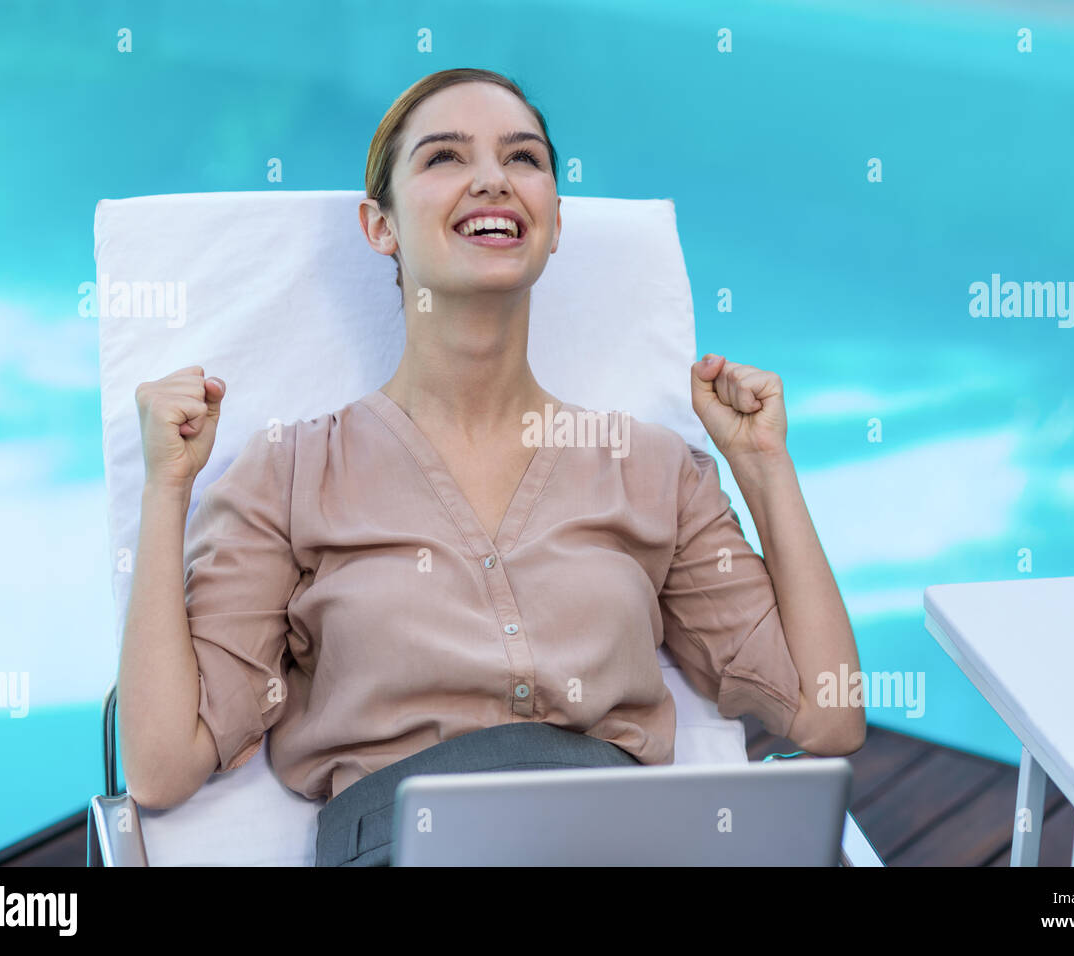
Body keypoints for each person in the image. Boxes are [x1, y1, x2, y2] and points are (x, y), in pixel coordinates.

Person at [118, 68, 864, 867]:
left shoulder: (652, 471)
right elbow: (164, 767)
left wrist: (763, 466)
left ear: (554, 220)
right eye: (444, 158)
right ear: (381, 226)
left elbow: (827, 715)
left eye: (523, 159)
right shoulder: (289, 476)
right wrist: (167, 490)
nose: (491, 181)